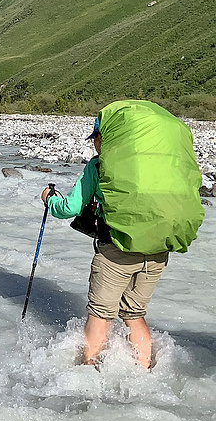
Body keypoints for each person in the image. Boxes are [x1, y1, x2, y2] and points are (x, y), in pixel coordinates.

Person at [41, 101, 204, 368]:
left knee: (100, 315)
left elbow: (69, 208)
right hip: (159, 249)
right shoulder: (164, 167)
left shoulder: (99, 166)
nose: (94, 143)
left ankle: (87, 373)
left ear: (106, 136)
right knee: (134, 313)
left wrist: (49, 200)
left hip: (116, 250)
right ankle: (143, 371)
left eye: (95, 137)